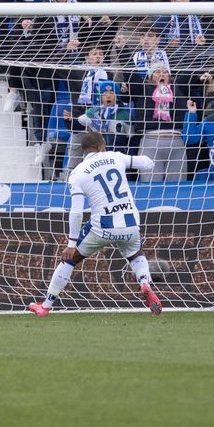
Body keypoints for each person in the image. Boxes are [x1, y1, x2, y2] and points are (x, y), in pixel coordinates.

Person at [28, 131, 162, 316]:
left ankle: (46, 306)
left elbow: (76, 212)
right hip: (130, 222)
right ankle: (144, 283)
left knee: (70, 260)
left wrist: (71, 244)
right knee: (135, 254)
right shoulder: (115, 157)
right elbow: (148, 163)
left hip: (102, 226)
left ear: (83, 151)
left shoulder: (77, 173)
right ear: (101, 146)